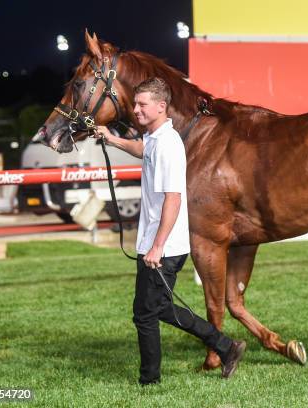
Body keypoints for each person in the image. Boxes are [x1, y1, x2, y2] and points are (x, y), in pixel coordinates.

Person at [94, 77, 245, 385]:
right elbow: (141, 148)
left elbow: (173, 199)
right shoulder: (155, 137)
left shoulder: (169, 145)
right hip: (155, 242)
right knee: (157, 308)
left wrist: (157, 246)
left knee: (145, 314)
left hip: (164, 246)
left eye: (142, 105)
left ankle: (150, 380)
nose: (135, 110)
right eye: (135, 104)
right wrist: (112, 139)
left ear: (161, 106)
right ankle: (226, 347)